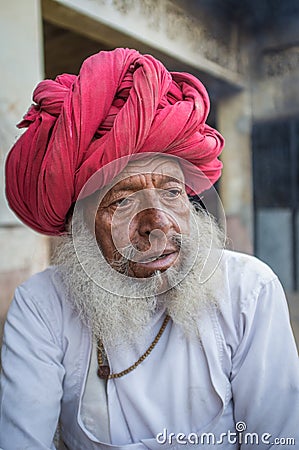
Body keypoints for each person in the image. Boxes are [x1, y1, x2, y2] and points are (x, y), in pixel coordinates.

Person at [0, 48, 298, 450]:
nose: (159, 225)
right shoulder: (42, 305)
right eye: (122, 201)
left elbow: (278, 440)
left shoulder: (250, 288)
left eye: (173, 192)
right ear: (78, 226)